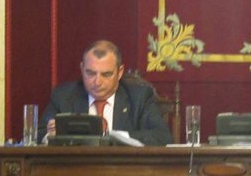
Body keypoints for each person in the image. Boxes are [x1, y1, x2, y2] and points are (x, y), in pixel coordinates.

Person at [40, 39, 172, 145]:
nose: (97, 82)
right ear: (82, 69)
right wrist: (50, 135)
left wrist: (113, 136)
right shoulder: (64, 95)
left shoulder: (139, 97)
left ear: (119, 72)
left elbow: (162, 137)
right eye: (90, 73)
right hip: (76, 168)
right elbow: (38, 134)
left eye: (106, 74)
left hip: (123, 168)